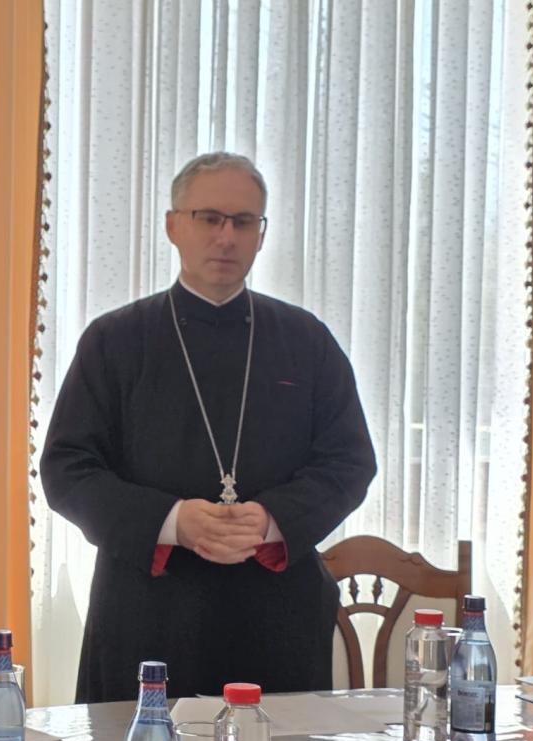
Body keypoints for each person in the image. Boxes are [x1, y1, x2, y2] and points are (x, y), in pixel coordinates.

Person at [40, 152, 376, 703]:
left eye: (243, 222)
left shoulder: (305, 339)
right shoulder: (115, 340)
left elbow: (350, 462)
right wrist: (173, 522)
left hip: (277, 615)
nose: (226, 237)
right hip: (148, 613)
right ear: (174, 225)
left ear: (261, 235)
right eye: (209, 218)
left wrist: (271, 520)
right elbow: (67, 470)